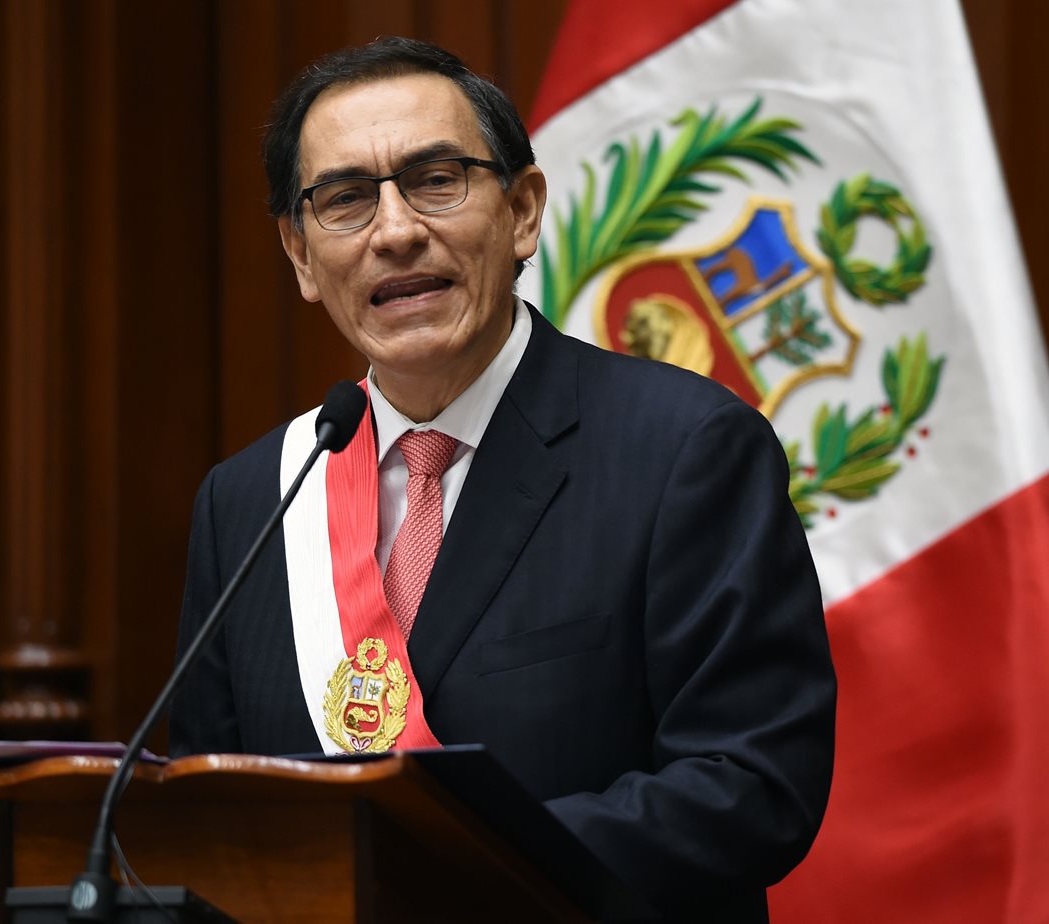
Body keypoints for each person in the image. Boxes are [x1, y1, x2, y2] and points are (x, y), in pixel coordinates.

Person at [169, 36, 835, 922]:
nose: (396, 231)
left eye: (437, 180)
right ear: (299, 253)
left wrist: (440, 869)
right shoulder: (252, 499)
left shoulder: (688, 451)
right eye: (345, 201)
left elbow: (751, 787)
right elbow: (210, 818)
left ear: (522, 211)